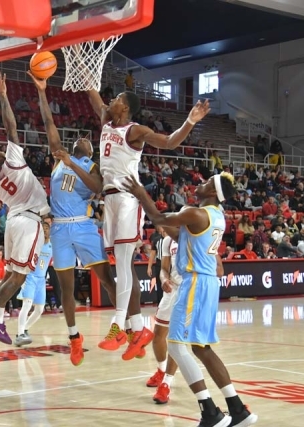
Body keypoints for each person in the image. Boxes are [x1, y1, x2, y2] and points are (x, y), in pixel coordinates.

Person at [85, 85, 211, 361]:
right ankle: (138, 329)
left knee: (123, 260)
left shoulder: (136, 130)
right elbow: (93, 95)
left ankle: (119, 325)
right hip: (109, 199)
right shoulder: (107, 121)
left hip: (128, 198)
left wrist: (190, 121)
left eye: (117, 98)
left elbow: (170, 143)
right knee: (123, 264)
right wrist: (85, 72)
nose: (111, 100)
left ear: (126, 107)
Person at [125, 172, 257, 427]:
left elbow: (160, 218)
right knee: (201, 348)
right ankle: (238, 409)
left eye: (207, 183)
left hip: (194, 283)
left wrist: (141, 194)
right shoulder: (216, 217)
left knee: (175, 345)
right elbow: (180, 236)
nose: (201, 183)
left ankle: (210, 412)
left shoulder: (198, 214)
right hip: (206, 283)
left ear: (212, 193)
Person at [28, 73, 141, 364]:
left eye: (87, 141)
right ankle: (74, 338)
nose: (83, 140)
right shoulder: (59, 156)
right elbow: (49, 123)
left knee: (106, 280)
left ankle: (130, 331)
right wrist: (42, 92)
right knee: (66, 288)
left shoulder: (92, 166)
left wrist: (71, 164)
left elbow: (97, 188)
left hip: (85, 226)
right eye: (80, 139)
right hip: (60, 230)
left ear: (91, 150)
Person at [0, 71, 50, 346]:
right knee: (18, 277)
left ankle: (1, 323)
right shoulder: (12, 162)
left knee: (8, 274)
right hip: (28, 222)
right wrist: (3, 96)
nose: (2, 151)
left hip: (13, 223)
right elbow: (11, 126)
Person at [148, 229, 181, 404]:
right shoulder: (167, 241)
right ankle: (161, 370)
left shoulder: (195, 237)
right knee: (158, 335)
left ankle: (166, 384)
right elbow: (163, 269)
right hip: (171, 291)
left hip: (188, 293)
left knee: (176, 341)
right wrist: (163, 280)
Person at [14, 220, 51, 346]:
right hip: (30, 277)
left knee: (39, 310)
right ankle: (19, 335)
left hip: (41, 280)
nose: (45, 230)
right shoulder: (34, 244)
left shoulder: (52, 245)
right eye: (43, 228)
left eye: (47, 228)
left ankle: (25, 329)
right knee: (27, 305)